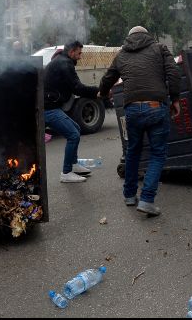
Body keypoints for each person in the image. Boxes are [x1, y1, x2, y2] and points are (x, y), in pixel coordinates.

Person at [99, 26, 181, 217]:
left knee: (133, 151)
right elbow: (174, 73)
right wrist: (175, 99)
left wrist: (103, 93)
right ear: (146, 35)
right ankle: (146, 200)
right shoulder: (159, 48)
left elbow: (107, 79)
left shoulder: (121, 55)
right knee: (157, 154)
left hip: (132, 110)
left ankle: (129, 195)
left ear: (129, 38)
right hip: (156, 106)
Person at [44, 40, 99, 183]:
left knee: (76, 128)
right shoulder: (65, 63)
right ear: (71, 52)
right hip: (47, 108)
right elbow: (77, 88)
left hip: (49, 106)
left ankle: (73, 164)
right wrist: (98, 92)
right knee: (73, 135)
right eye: (79, 53)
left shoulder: (60, 60)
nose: (80, 57)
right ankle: (66, 172)